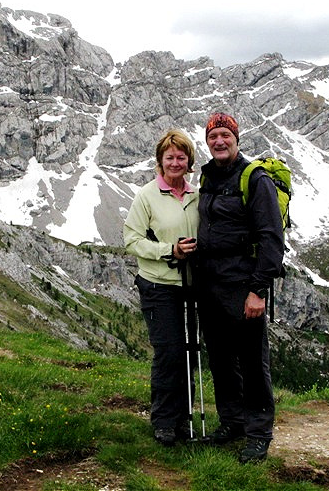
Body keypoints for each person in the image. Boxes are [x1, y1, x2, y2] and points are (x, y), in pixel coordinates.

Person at [195, 112, 284, 463]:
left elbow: (271, 238)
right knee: (219, 358)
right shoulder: (207, 177)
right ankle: (232, 423)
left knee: (251, 360)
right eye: (213, 136)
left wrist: (258, 290)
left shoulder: (255, 178)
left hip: (243, 285)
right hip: (210, 283)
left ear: (236, 138)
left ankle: (259, 432)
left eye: (225, 135)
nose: (219, 141)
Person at [124, 129, 199, 446]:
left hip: (192, 286)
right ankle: (164, 421)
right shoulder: (147, 196)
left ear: (189, 162)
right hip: (158, 285)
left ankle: (184, 419)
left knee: (190, 354)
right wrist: (170, 250)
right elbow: (131, 240)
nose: (175, 162)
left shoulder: (196, 196)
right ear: (160, 161)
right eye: (170, 157)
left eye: (181, 157)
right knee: (169, 353)